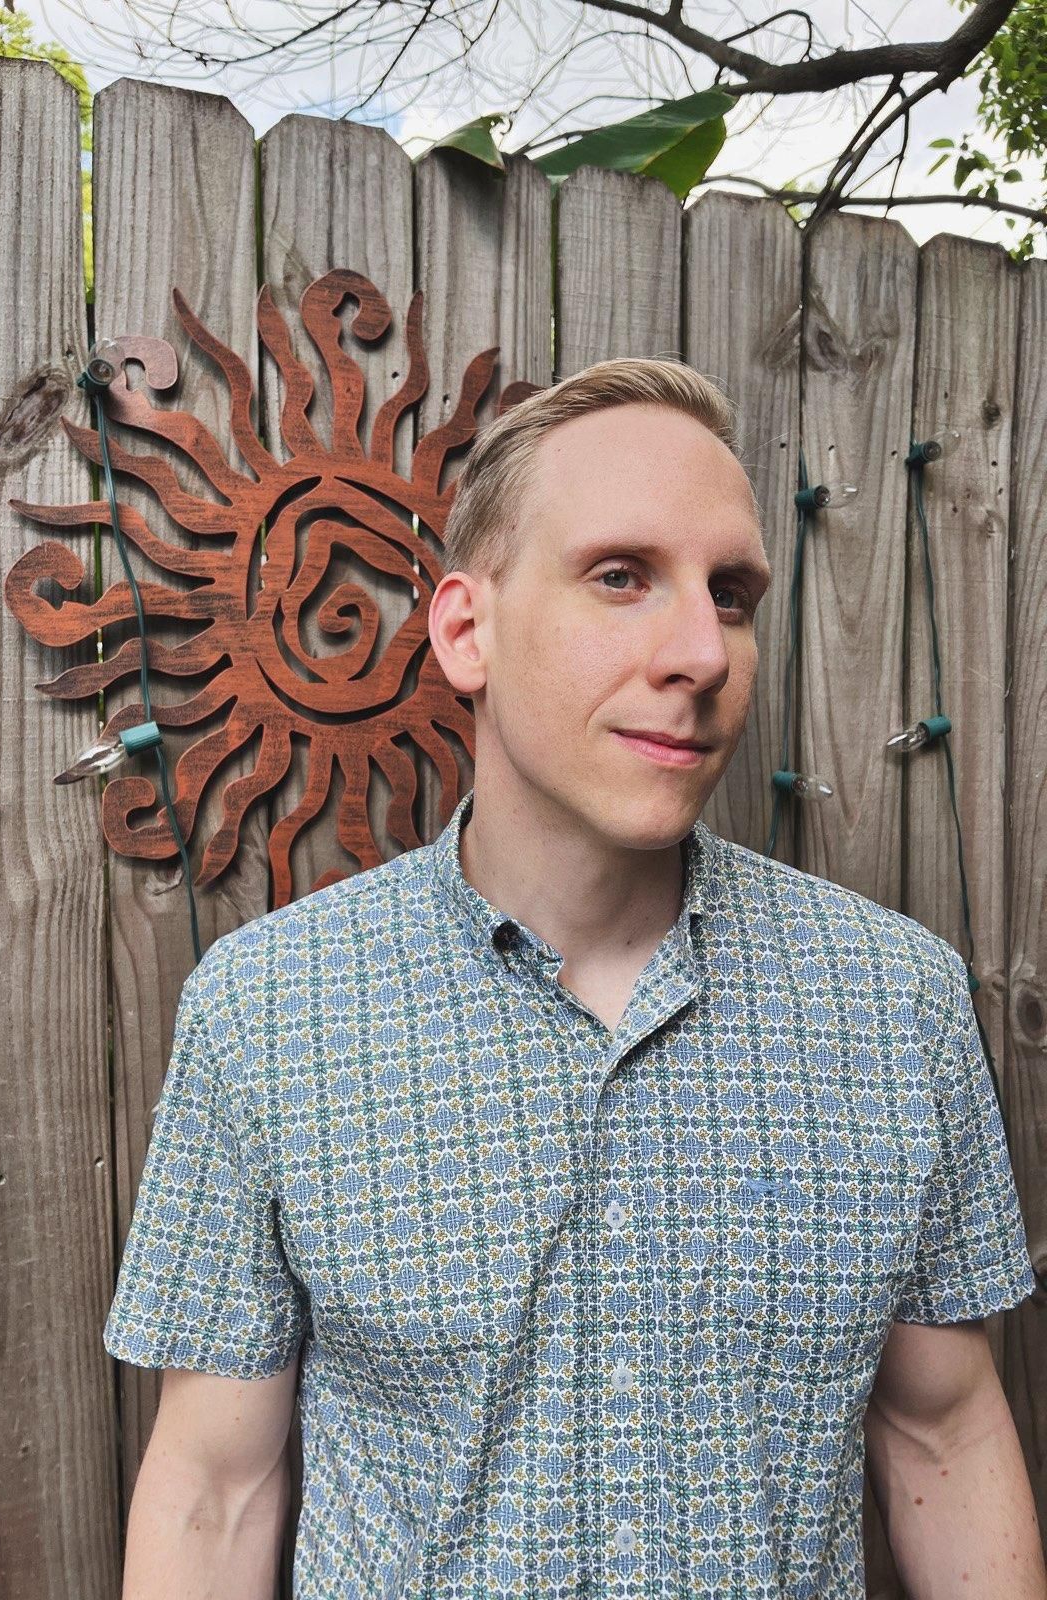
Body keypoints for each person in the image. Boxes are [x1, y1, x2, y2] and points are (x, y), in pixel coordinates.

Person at [103, 360, 1045, 1600]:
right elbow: (212, 1493)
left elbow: (946, 1433)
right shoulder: (271, 1011)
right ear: (466, 631)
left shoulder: (896, 1005)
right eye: (620, 576)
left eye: (732, 594)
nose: (702, 653)